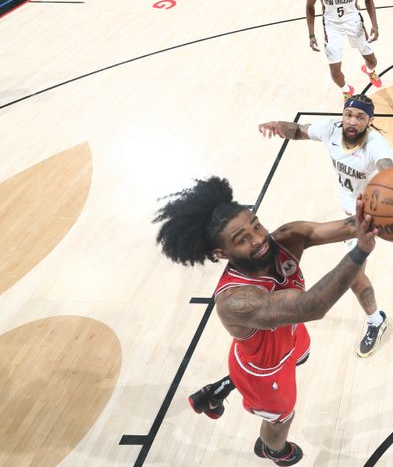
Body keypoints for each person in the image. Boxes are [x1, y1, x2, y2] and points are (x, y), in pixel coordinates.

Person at [154, 176, 379, 465]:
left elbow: (351, 226)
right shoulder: (235, 301)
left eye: (256, 226)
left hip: (290, 336)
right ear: (222, 254)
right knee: (281, 419)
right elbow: (312, 306)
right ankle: (273, 450)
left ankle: (217, 391)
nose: (259, 239)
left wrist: (385, 216)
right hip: (265, 371)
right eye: (243, 239)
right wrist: (359, 251)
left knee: (302, 357)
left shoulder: (286, 237)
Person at [257, 93, 393, 358]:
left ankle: (376, 320)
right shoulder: (330, 129)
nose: (352, 121)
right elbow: (300, 131)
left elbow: (390, 171)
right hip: (347, 204)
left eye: (360, 117)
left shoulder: (375, 145)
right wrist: (278, 125)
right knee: (306, 240)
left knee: (352, 273)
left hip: (370, 215)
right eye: (349, 115)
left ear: (370, 121)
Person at [306, 0, 382, 99]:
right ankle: (346, 90)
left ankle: (369, 71)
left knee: (373, 61)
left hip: (354, 22)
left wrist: (374, 25)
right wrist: (312, 34)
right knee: (334, 72)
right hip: (332, 26)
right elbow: (309, 6)